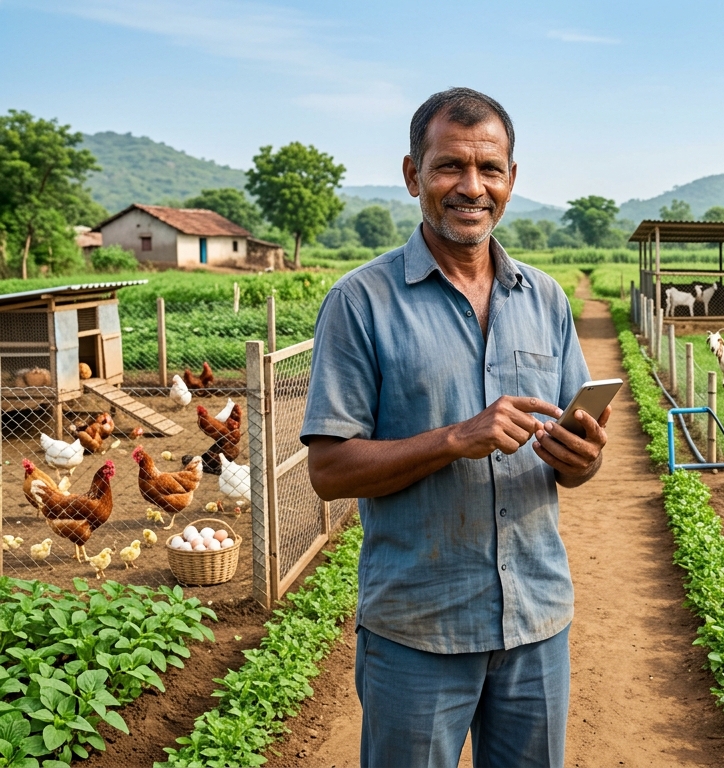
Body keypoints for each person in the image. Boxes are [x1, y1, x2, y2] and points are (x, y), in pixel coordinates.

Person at [301, 87, 610, 768]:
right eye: (449, 167)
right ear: (414, 174)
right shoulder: (360, 303)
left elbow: (577, 461)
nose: (471, 187)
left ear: (511, 180)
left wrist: (581, 458)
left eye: (489, 169)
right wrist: (454, 439)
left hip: (535, 621)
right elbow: (328, 472)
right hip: (417, 630)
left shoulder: (546, 299)